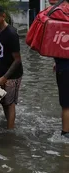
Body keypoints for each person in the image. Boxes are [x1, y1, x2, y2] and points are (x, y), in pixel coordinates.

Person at [0, 5, 23, 129]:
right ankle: (9, 124)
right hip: (1, 72)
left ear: (3, 16)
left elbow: (17, 60)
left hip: (13, 74)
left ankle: (10, 133)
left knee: (10, 104)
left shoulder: (11, 33)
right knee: (2, 101)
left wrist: (5, 77)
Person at [49, 0, 69, 138]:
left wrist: (57, 60)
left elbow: (56, 44)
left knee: (66, 105)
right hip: (62, 65)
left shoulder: (59, 14)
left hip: (64, 67)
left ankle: (65, 133)